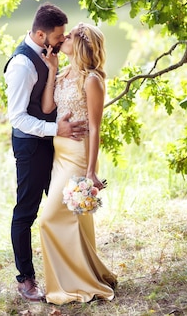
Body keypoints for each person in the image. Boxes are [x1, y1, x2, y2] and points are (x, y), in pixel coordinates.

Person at [4, 3, 87, 302]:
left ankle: (72, 270)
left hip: (54, 144)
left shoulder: (49, 57)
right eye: (59, 36)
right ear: (41, 35)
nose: (63, 40)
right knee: (26, 212)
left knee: (60, 206)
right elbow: (18, 117)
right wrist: (57, 130)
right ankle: (25, 278)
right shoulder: (21, 65)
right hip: (30, 146)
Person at [39, 22, 117, 305]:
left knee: (48, 219)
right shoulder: (63, 74)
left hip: (78, 157)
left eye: (68, 36)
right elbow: (48, 108)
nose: (63, 39)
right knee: (75, 221)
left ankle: (77, 281)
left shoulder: (92, 79)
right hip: (60, 156)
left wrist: (90, 171)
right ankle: (81, 276)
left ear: (80, 43)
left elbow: (96, 128)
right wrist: (51, 70)